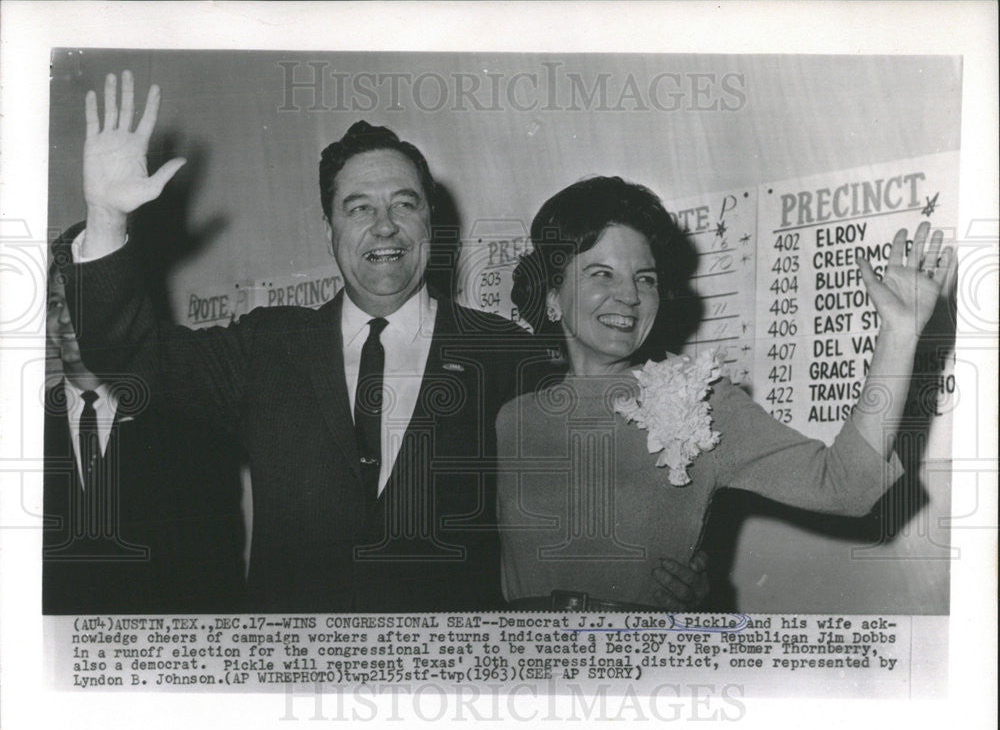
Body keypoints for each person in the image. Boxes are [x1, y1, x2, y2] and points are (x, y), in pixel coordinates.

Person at [55, 71, 709, 612]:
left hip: (451, 701)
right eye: (359, 206)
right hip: (294, 699)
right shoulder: (263, 347)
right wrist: (108, 219)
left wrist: (671, 571)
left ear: (432, 222)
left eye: (405, 203)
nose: (385, 225)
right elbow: (126, 355)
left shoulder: (511, 356)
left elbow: (602, 493)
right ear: (329, 231)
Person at [498, 176, 955, 610]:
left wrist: (898, 335)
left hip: (639, 672)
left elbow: (847, 486)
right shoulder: (507, 417)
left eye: (646, 278)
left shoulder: (698, 395)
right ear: (553, 297)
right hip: (520, 671)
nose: (630, 296)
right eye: (602, 274)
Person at [43, 270, 246, 613]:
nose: (64, 317)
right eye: (55, 302)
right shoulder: (20, 428)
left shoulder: (191, 428)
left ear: (122, 315)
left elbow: (217, 583)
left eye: (80, 303)